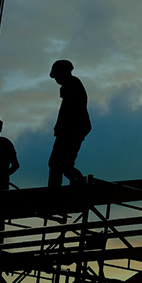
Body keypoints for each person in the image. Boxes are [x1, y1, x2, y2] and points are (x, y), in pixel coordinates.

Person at [48, 59, 91, 187]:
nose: (56, 79)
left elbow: (68, 113)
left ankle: (59, 192)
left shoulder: (71, 86)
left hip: (71, 131)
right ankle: (78, 186)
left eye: (57, 75)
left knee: (57, 164)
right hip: (72, 130)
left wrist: (61, 129)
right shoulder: (71, 85)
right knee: (61, 164)